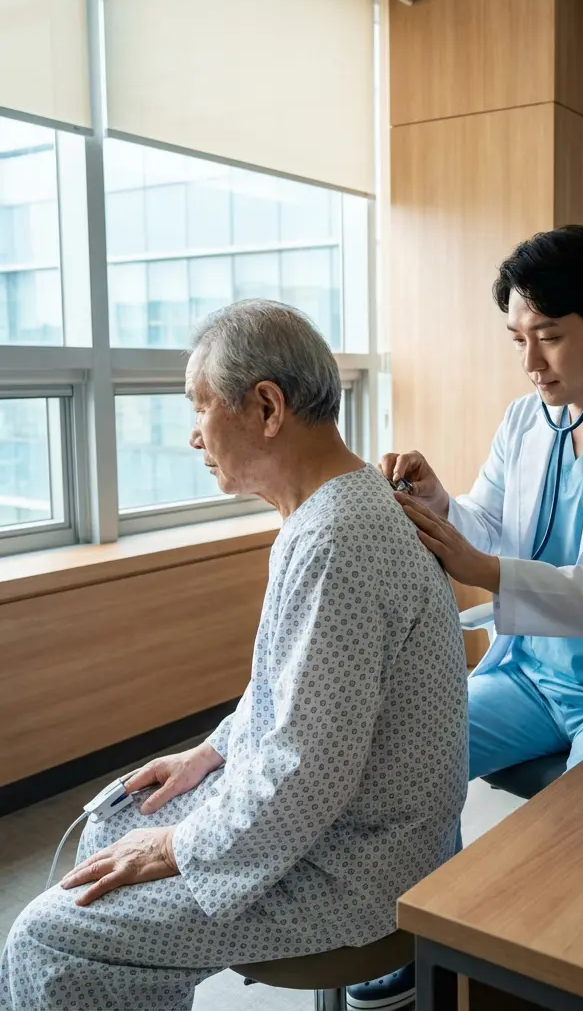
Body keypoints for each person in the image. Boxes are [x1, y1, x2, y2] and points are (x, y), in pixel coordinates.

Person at [0, 300, 468, 1011]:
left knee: (49, 934)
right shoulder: (337, 509)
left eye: (201, 408)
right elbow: (292, 693)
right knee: (114, 819)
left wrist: (175, 848)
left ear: (267, 407)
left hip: (361, 866)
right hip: (362, 827)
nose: (193, 436)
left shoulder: (336, 544)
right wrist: (211, 755)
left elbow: (303, 772)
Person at [350, 225, 583, 1009]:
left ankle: (528, 975)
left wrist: (481, 570)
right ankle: (424, 942)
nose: (531, 363)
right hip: (524, 672)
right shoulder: (529, 421)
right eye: (519, 338)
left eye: (550, 338)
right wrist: (440, 503)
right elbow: (493, 522)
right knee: (406, 759)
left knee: (576, 844)